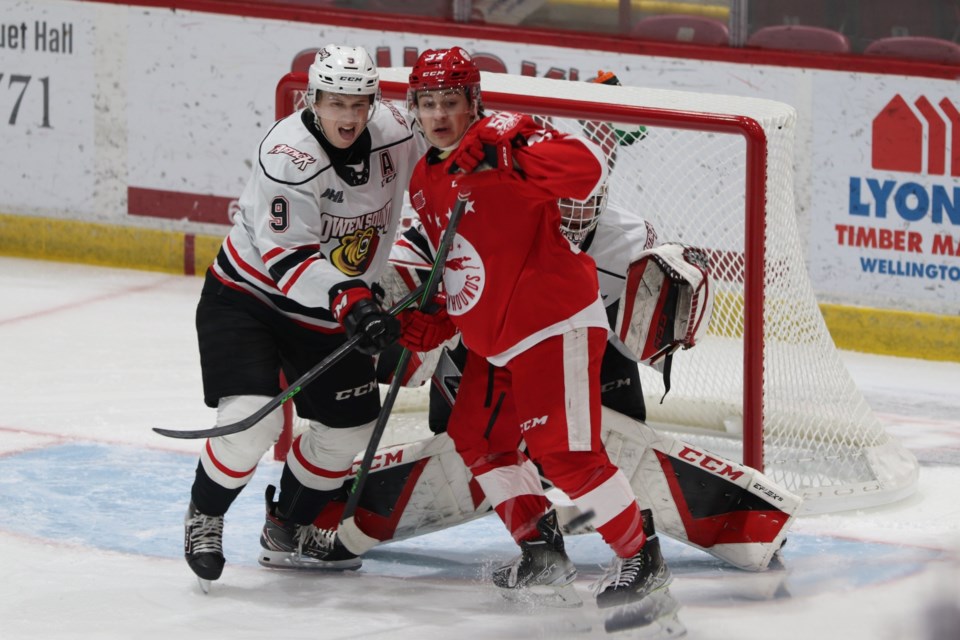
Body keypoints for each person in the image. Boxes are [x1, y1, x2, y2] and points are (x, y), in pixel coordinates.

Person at [396, 46, 672, 609]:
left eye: (451, 102)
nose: (439, 115)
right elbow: (469, 263)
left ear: (473, 102)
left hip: (553, 323)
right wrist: (441, 321)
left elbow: (584, 171)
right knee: (477, 438)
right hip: (495, 340)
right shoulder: (424, 179)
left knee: (564, 455)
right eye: (427, 103)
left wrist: (509, 141)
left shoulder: (508, 142)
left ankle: (641, 556)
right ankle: (542, 554)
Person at [181, 44, 423, 587]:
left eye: (359, 102)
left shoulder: (397, 131)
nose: (348, 115)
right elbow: (289, 259)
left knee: (349, 431)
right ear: (313, 99)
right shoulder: (287, 154)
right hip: (251, 299)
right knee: (254, 420)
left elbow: (459, 142)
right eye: (335, 102)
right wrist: (356, 302)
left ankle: (287, 526)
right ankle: (205, 515)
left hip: (331, 310)